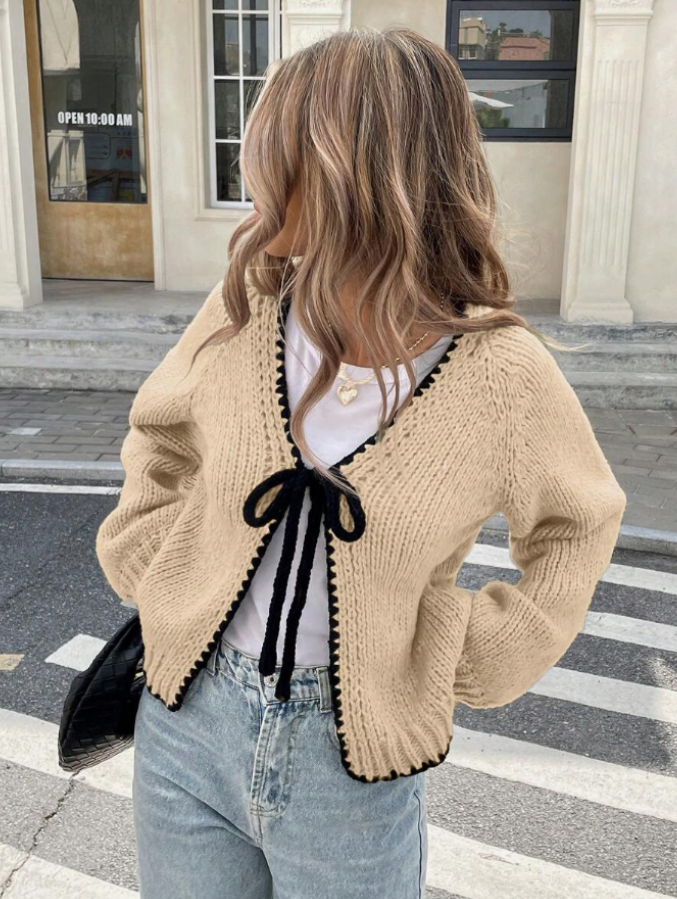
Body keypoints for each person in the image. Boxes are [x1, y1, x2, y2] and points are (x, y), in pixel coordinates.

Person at [94, 26, 627, 899]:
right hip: (187, 722)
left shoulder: (501, 373)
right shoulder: (246, 309)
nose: (250, 171)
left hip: (352, 766)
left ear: (357, 175)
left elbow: (578, 522)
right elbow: (161, 437)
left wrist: (472, 651)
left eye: (273, 149)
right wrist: (154, 565)